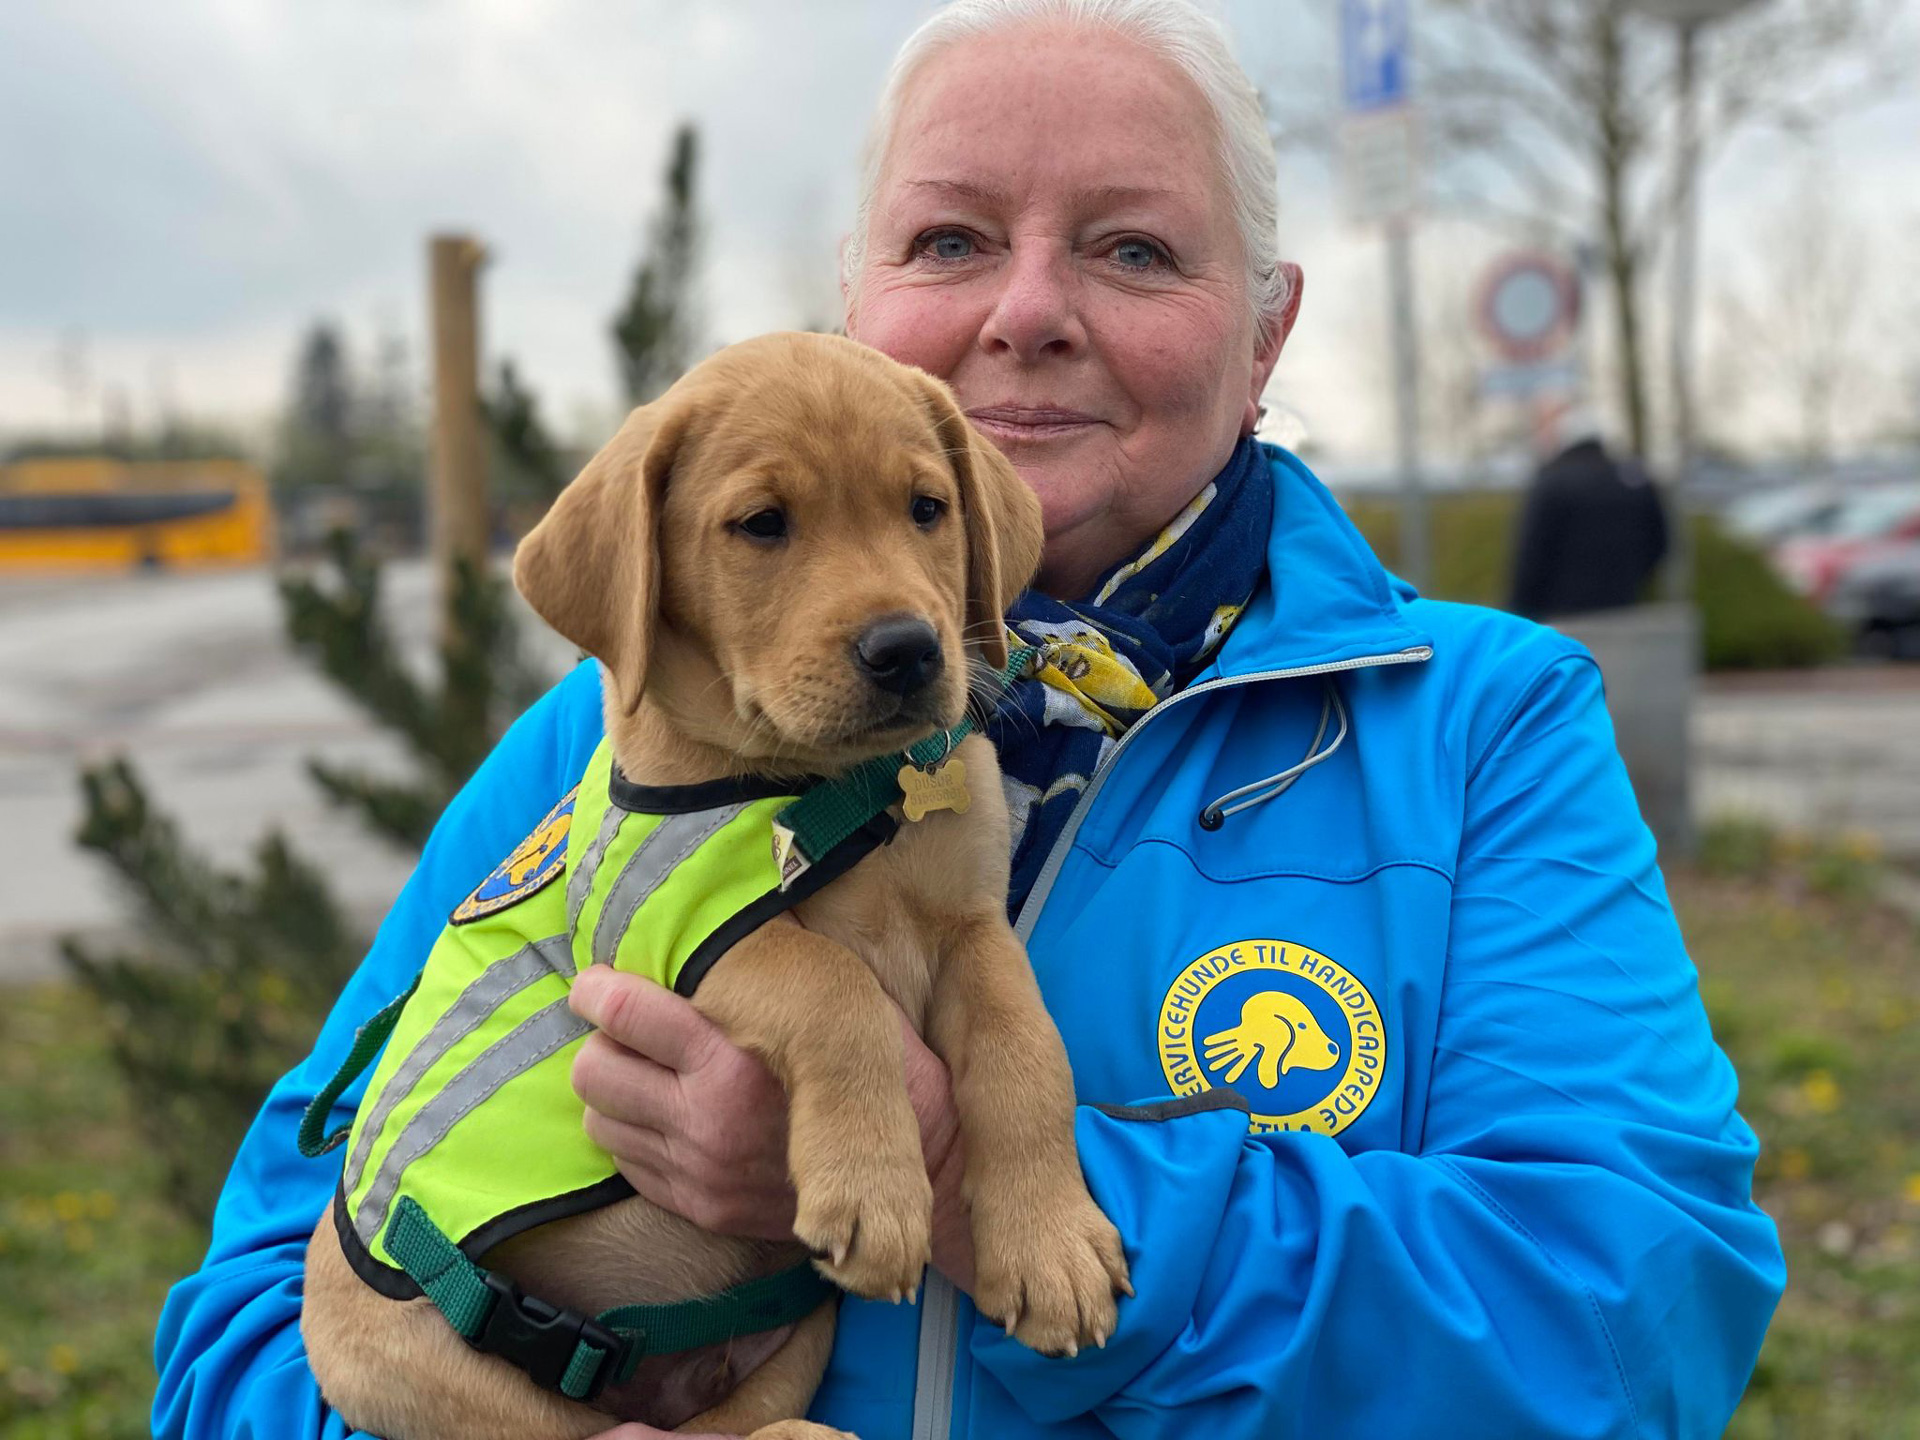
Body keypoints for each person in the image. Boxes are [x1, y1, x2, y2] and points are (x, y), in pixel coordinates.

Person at [153, 3, 1784, 1436]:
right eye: (948, 244)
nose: (1026, 312)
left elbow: (1638, 1324)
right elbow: (244, 1331)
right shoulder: (614, 742)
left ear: (1268, 329)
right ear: (856, 311)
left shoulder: (1477, 729)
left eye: (1134, 249)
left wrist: (981, 1180)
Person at [1509, 400, 1670, 621]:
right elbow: (1660, 543)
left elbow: (1531, 554)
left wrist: (1519, 610)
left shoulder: (1553, 481)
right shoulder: (1634, 479)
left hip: (1562, 616)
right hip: (1623, 608)